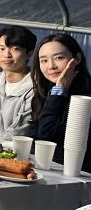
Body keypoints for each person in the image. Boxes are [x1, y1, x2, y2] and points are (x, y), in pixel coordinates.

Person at [31, 33, 91, 171]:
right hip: (52, 168)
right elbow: (35, 135)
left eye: (59, 58)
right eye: (44, 60)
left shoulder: (85, 99)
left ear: (77, 58)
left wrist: (59, 91)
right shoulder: (45, 91)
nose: (51, 66)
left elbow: (47, 137)